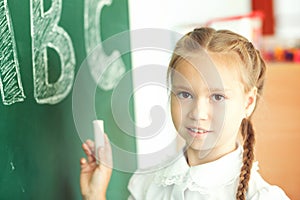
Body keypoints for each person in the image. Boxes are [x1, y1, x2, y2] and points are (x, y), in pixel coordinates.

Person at [79, 27, 290, 200]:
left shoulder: (262, 197)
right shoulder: (148, 183)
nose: (198, 113)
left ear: (248, 102)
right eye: (185, 94)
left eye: (217, 97)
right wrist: (95, 195)